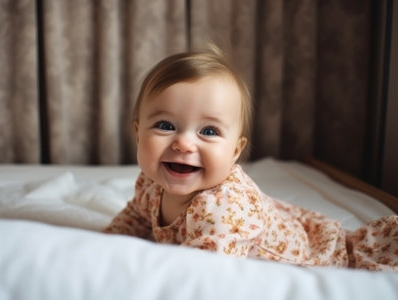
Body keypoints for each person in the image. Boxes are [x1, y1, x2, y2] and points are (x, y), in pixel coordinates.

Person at [104, 45, 398, 271]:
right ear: (138, 134)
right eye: (166, 126)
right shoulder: (150, 182)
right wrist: (101, 247)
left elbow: (199, 277)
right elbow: (134, 217)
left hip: (315, 256)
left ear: (235, 151)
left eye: (208, 130)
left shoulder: (222, 209)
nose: (183, 143)